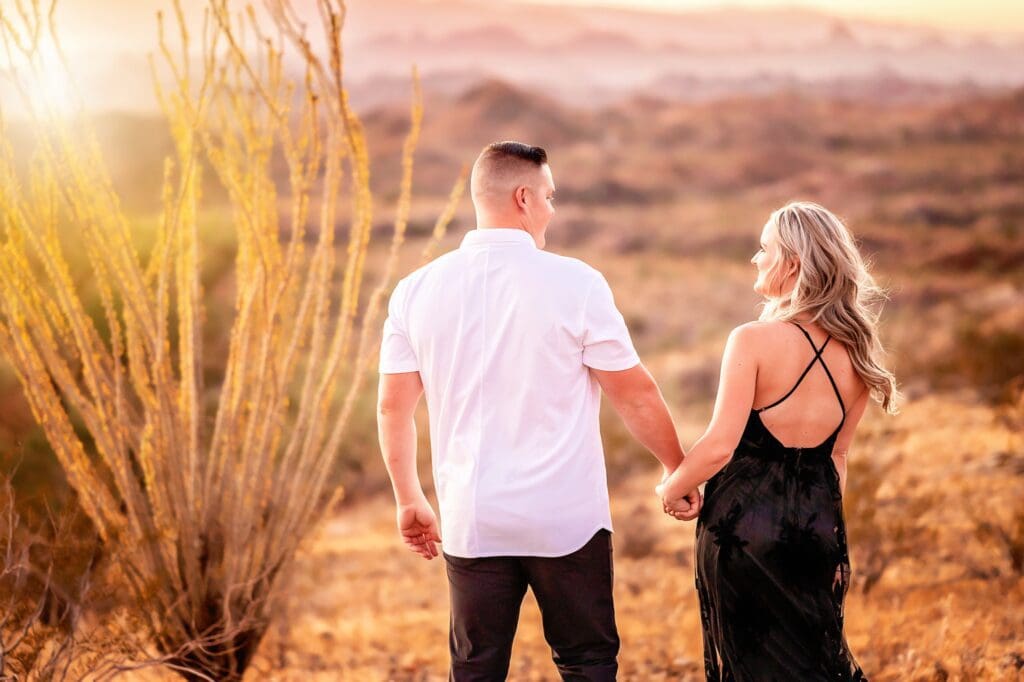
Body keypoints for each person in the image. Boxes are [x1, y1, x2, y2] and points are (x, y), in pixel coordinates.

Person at [376, 140, 700, 681]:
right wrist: (678, 467)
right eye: (549, 196)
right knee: (587, 662)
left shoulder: (415, 290)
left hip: (473, 519)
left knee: (476, 671)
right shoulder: (576, 283)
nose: (552, 209)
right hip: (566, 519)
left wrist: (409, 498)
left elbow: (393, 408)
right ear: (523, 198)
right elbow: (634, 392)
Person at [658, 201, 898, 681]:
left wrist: (671, 487)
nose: (755, 258)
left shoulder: (751, 340)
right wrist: (825, 535)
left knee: (750, 667)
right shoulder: (857, 352)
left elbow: (720, 444)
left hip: (740, 531)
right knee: (813, 664)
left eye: (764, 248)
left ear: (791, 261)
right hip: (814, 528)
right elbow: (838, 458)